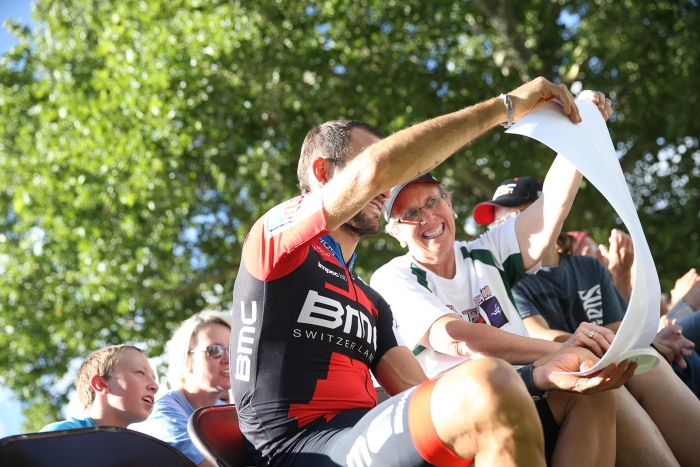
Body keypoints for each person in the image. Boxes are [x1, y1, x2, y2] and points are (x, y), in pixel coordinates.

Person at [231, 78, 632, 467]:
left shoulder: (370, 300)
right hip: (298, 447)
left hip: (365, 431)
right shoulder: (275, 240)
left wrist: (538, 375)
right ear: (322, 173)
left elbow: (416, 390)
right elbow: (374, 171)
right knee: (488, 377)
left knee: (587, 389)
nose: (387, 187)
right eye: (386, 172)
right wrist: (505, 106)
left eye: (432, 202)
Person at [470, 181, 700, 466]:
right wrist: (646, 338)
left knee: (662, 357)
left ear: (546, 215)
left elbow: (619, 326)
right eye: (497, 224)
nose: (502, 230)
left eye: (513, 218)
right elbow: (545, 338)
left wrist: (647, 339)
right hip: (556, 377)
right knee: (624, 367)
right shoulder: (506, 281)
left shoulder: (587, 266)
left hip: (595, 362)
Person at [132, 310, 231, 466]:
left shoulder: (225, 411)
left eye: (234, 350)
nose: (228, 358)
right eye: (215, 350)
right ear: (187, 359)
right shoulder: (164, 409)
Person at [40, 344, 158, 431]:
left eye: (154, 379)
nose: (155, 387)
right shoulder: (61, 435)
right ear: (101, 384)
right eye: (141, 373)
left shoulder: (139, 452)